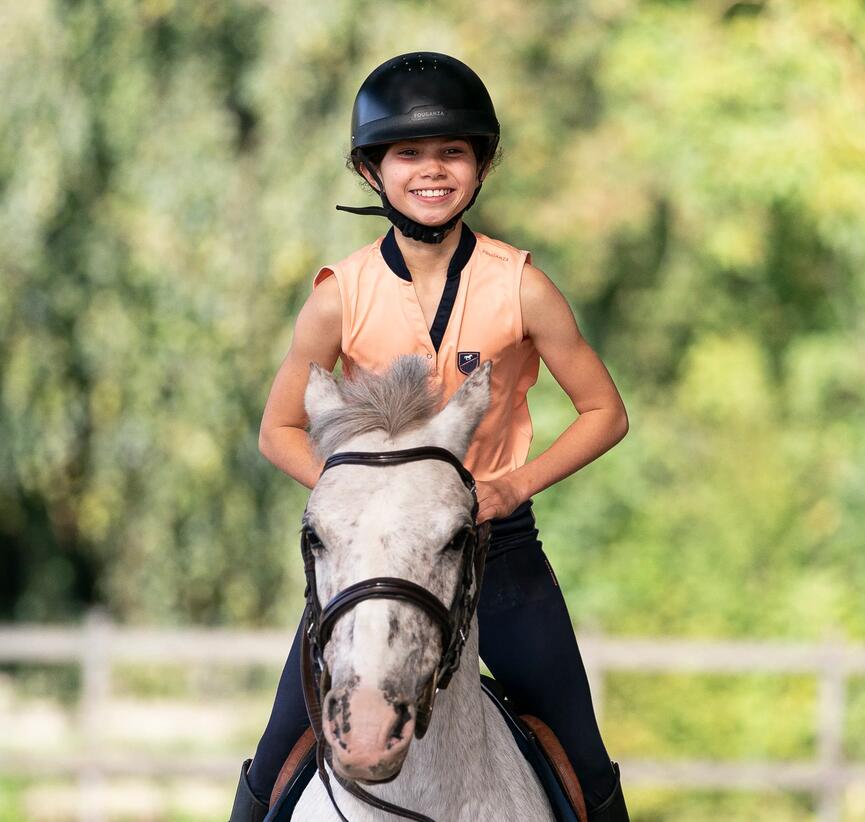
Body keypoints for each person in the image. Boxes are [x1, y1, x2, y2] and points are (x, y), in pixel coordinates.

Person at [230, 51, 632, 822]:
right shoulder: (337, 297)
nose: (432, 170)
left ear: (481, 165)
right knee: (272, 765)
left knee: (586, 761)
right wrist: (364, 500)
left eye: (453, 151)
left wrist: (513, 485)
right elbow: (277, 430)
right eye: (408, 153)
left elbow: (605, 413)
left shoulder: (523, 286)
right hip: (370, 558)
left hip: (498, 550)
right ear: (370, 169)